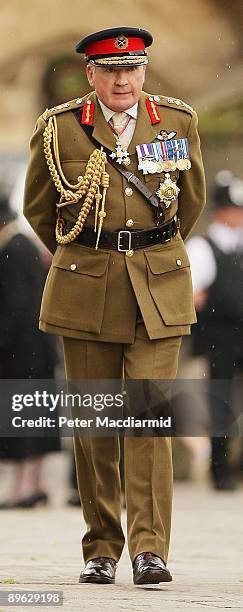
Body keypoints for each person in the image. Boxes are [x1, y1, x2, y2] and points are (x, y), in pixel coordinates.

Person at [23, 27, 205, 584]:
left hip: (158, 288)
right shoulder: (61, 129)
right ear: (91, 75)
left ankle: (150, 550)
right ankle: (101, 547)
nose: (121, 78)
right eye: (109, 69)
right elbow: (40, 209)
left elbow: (188, 204)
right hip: (88, 288)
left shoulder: (176, 121)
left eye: (131, 68)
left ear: (143, 71)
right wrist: (92, 257)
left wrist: (149, 255)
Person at [0, 193, 60, 508]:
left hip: (20, 353)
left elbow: (15, 308)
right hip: (39, 347)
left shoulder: (12, 250)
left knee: (20, 419)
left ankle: (22, 488)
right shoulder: (25, 247)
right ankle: (36, 484)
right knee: (36, 418)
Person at [187, 170, 243, 491]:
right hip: (218, 338)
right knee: (220, 404)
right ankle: (220, 470)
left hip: (239, 333)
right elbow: (193, 294)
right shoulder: (204, 247)